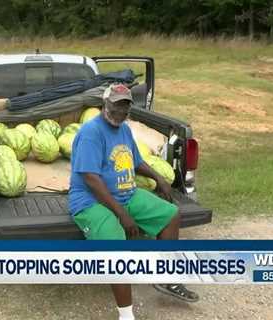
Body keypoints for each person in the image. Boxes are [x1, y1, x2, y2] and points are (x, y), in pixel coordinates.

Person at [68, 84, 199, 320]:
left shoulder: (124, 130)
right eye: (116, 106)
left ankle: (166, 278)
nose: (120, 111)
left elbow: (136, 160)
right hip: (91, 201)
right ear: (105, 104)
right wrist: (121, 213)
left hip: (126, 194)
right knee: (118, 249)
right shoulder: (91, 133)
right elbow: (90, 178)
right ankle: (126, 315)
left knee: (171, 214)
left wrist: (158, 177)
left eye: (125, 107)